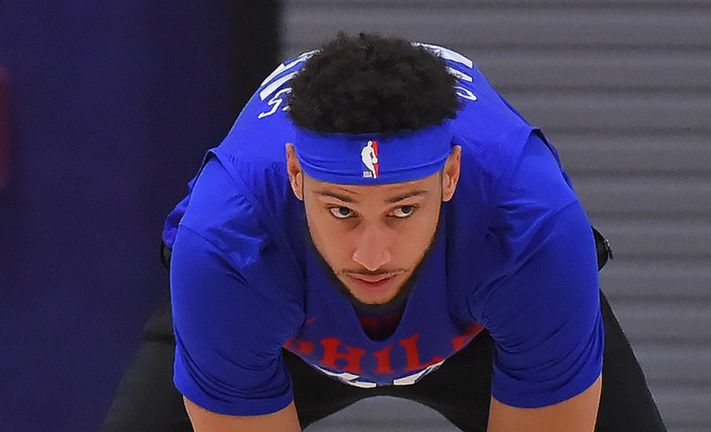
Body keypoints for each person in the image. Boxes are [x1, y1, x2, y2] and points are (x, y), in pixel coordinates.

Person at [102, 33, 666, 431]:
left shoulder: (530, 225)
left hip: (485, 321)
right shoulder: (230, 241)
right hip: (277, 316)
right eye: (342, 210)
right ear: (297, 177)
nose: (372, 255)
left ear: (450, 176)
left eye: (402, 209)